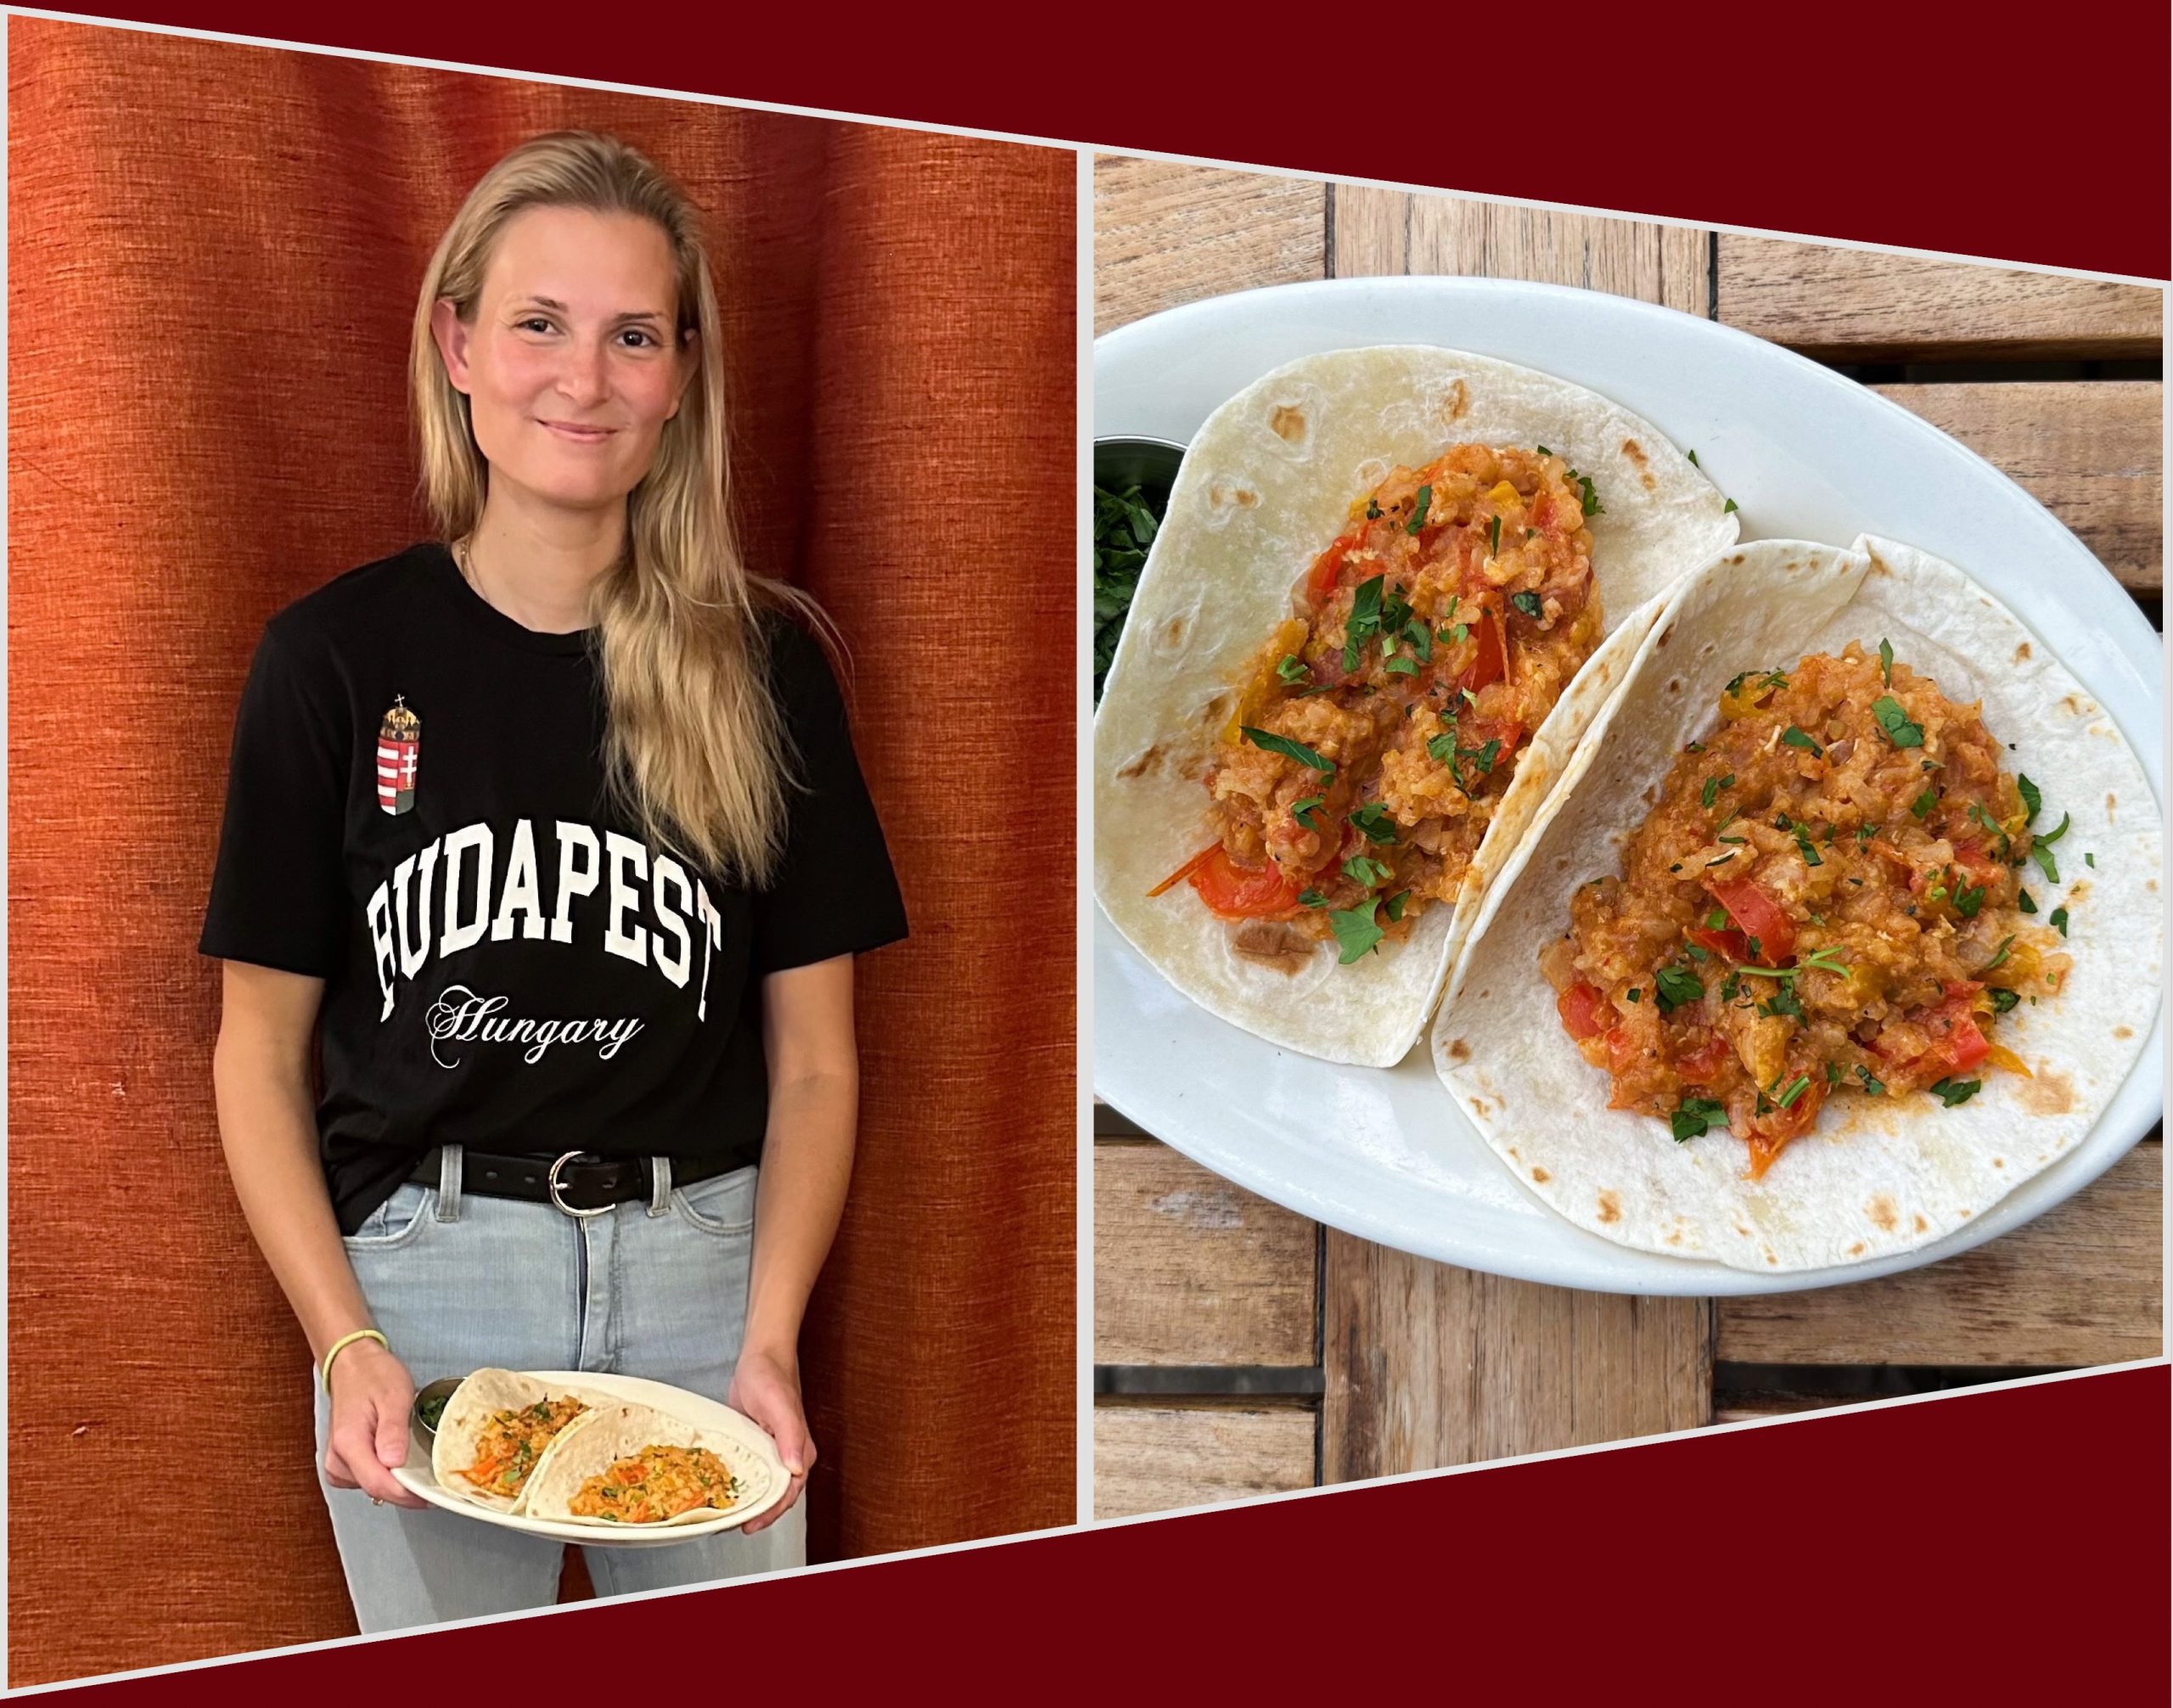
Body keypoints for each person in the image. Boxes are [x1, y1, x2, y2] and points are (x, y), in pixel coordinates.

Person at [199, 130, 907, 1633]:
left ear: (682, 374)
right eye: (539, 324)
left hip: (708, 1270)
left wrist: (768, 1337)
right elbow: (255, 1054)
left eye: (632, 335)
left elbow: (820, 1060)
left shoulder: (764, 664)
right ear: (457, 344)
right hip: (428, 1279)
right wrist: (345, 1343)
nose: (583, 379)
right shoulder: (329, 663)